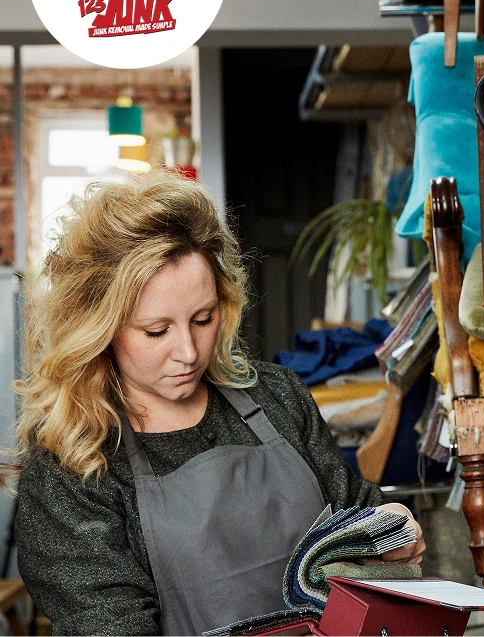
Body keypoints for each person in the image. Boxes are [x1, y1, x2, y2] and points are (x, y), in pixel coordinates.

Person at [7, 173, 425, 637]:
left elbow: (357, 518)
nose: (188, 352)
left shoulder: (277, 396)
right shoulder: (75, 466)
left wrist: (392, 534)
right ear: (98, 326)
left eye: (203, 319)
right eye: (156, 331)